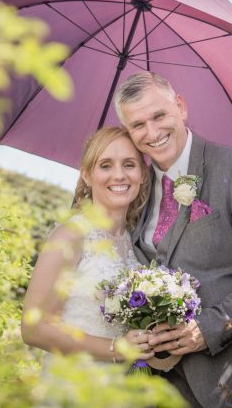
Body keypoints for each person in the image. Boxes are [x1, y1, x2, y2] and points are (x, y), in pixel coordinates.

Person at [115, 72, 232, 407]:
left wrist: (210, 327)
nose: (152, 133)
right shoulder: (136, 193)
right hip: (166, 386)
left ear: (180, 107)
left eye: (159, 116)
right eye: (137, 125)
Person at [21, 127, 154, 364]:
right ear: (87, 175)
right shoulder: (71, 235)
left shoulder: (134, 243)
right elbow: (33, 329)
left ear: (143, 174)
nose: (119, 175)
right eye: (105, 165)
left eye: (129, 164)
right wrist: (116, 348)